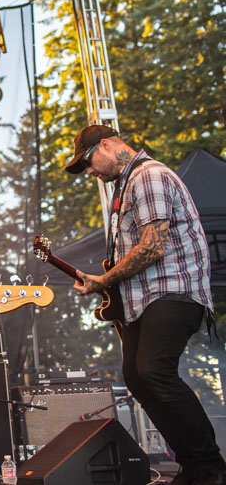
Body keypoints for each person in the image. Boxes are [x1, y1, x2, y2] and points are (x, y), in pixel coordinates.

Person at [65, 125, 225, 485]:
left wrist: (104, 281)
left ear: (107, 145)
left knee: (154, 370)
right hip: (145, 300)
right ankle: (193, 466)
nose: (90, 172)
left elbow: (153, 247)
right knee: (137, 377)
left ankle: (211, 466)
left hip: (173, 292)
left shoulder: (147, 175)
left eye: (88, 162)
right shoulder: (125, 187)